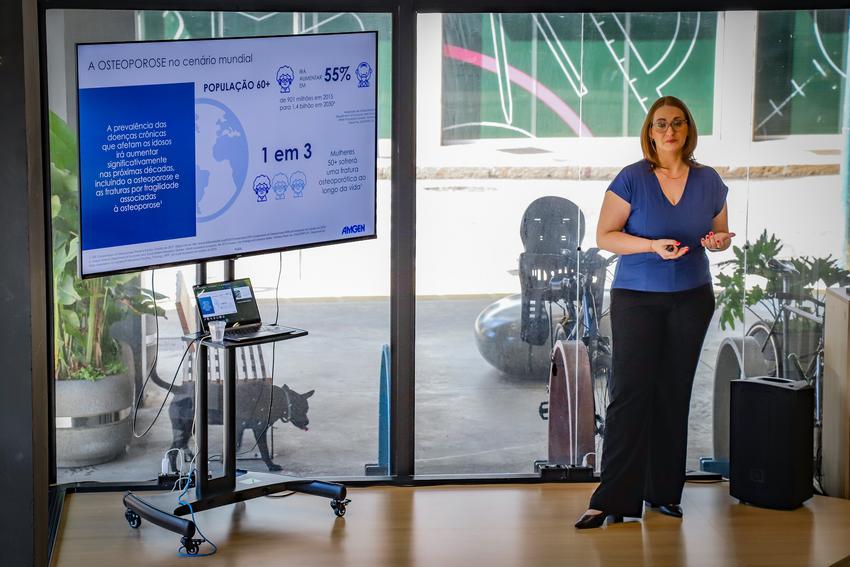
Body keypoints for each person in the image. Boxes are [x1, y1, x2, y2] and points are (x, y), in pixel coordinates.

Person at [575, 96, 735, 529]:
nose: (670, 131)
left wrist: (719, 242)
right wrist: (650, 246)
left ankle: (663, 493)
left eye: (677, 123)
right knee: (630, 393)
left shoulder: (708, 180)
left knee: (673, 393)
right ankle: (611, 498)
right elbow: (606, 235)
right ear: (650, 131)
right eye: (661, 124)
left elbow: (720, 234)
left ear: (688, 130)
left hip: (692, 297)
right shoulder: (632, 178)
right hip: (637, 298)